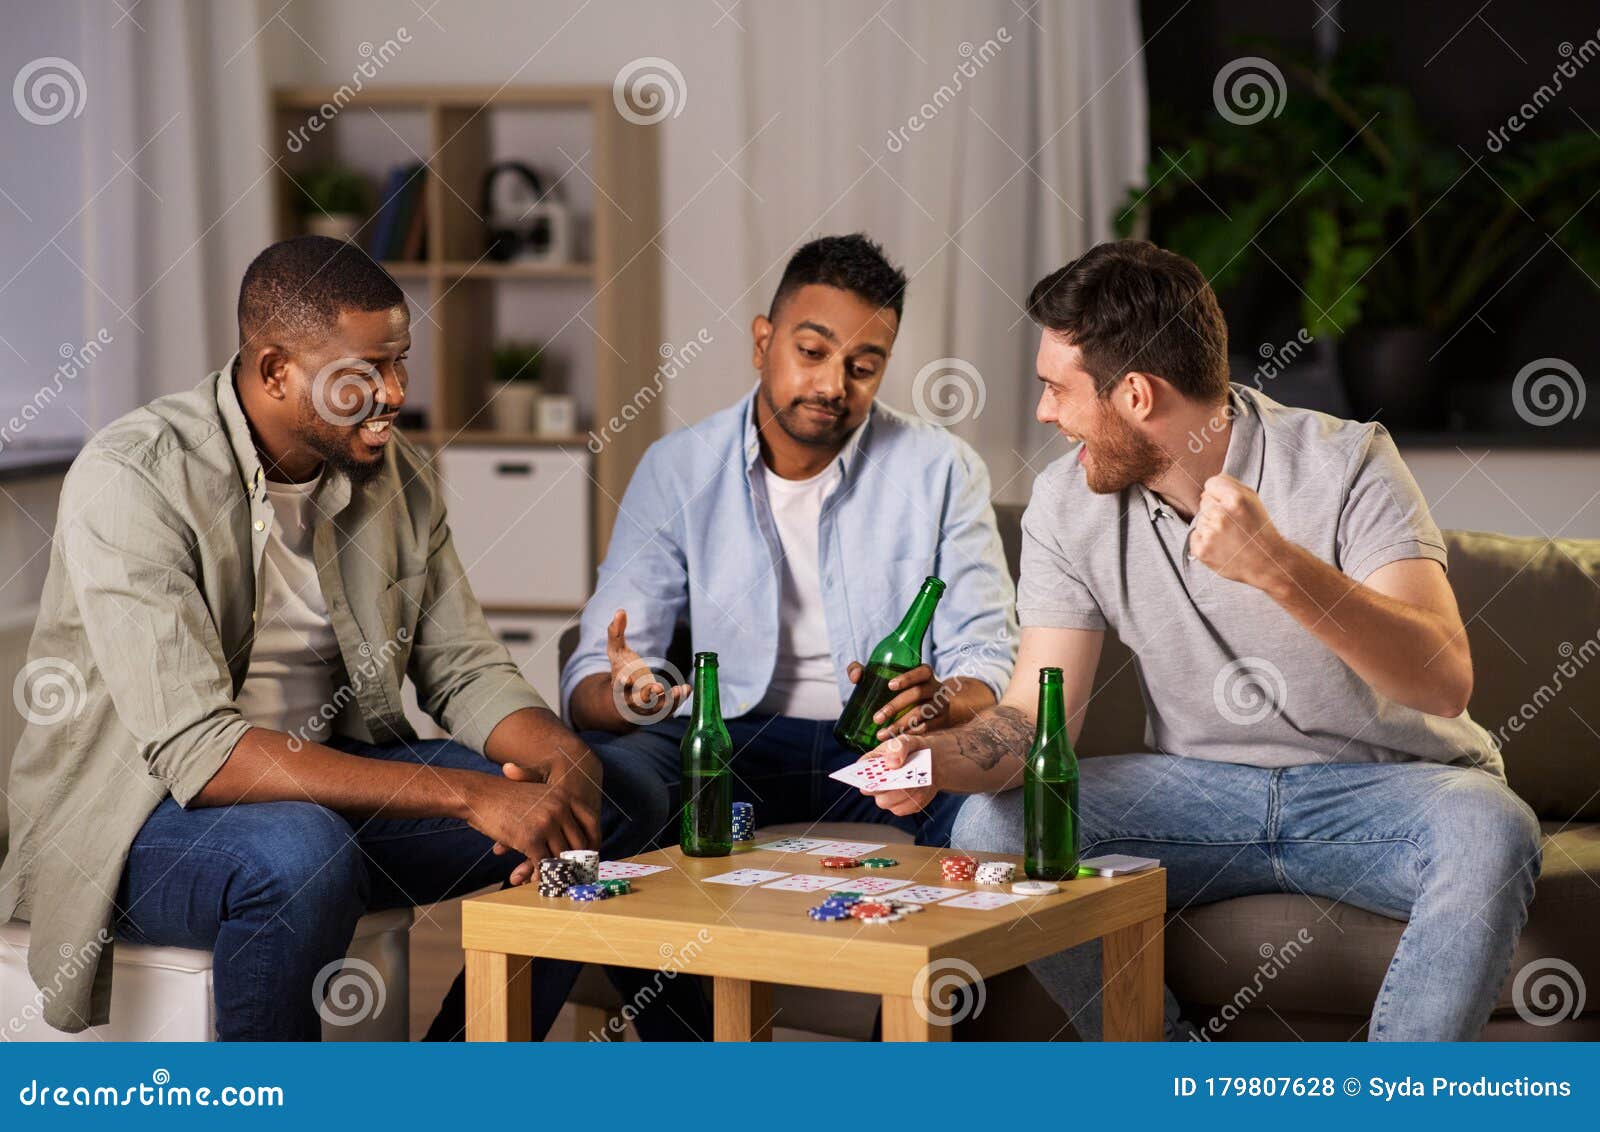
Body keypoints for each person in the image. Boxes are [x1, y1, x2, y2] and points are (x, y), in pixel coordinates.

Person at [0, 236, 705, 1041]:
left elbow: (464, 667)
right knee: (302, 856)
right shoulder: (133, 479)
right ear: (275, 371)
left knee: (617, 796)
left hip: (327, 796)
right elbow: (203, 750)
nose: (395, 392)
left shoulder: (394, 473)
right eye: (365, 373)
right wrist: (474, 794)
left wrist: (561, 759)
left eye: (401, 363)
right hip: (140, 826)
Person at [860, 239, 1542, 1041]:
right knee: (995, 828)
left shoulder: (1347, 462)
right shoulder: (1066, 502)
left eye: (1056, 389)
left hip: (1384, 793)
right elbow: (1033, 721)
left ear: (1139, 395)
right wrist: (931, 761)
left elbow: (1442, 681)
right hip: (1200, 797)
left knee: (1493, 828)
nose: (1045, 414)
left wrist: (1278, 567)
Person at [562, 233, 1016, 850]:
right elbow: (599, 670)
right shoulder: (679, 468)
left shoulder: (943, 470)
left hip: (884, 742)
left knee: (999, 813)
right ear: (762, 342)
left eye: (862, 366)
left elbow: (986, 656)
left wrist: (939, 703)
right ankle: (522, 949)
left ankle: (948, 949)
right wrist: (632, 697)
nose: (833, 385)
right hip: (727, 737)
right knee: (600, 789)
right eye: (811, 351)